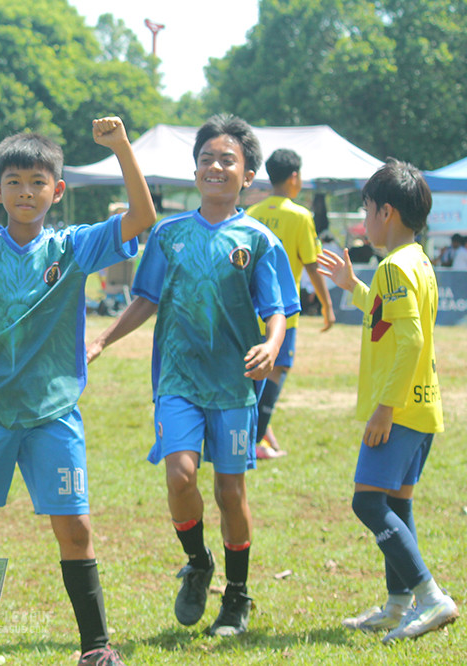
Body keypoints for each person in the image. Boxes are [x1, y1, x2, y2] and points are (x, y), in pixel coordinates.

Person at [0, 115, 156, 666]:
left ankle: (95, 648)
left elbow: (141, 217)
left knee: (76, 527)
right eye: (14, 181)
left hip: (53, 413)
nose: (25, 191)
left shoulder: (74, 247)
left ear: (57, 191)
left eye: (37, 182)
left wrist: (121, 148)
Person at [87, 114, 299, 638]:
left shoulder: (259, 239)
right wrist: (102, 339)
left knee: (231, 493)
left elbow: (278, 309)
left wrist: (272, 344)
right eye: (207, 158)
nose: (216, 167)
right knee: (180, 475)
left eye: (228, 159)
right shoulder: (168, 234)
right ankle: (198, 561)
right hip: (178, 380)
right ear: (195, 169)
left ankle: (237, 596)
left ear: (247, 175)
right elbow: (145, 299)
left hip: (232, 385)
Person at [317, 160, 459, 643]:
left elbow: (412, 340)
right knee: (398, 503)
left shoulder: (395, 267)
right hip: (423, 407)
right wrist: (352, 287)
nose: (364, 220)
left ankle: (430, 596)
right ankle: (398, 604)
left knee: (367, 502)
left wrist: (384, 406)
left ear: (388, 212)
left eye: (367, 210)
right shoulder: (414, 261)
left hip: (398, 410)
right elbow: (388, 318)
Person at [245, 149, 336, 459]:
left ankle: (260, 430)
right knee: (277, 370)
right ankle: (254, 441)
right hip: (283, 313)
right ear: (294, 177)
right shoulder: (300, 215)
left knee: (253, 370)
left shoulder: (252, 213)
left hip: (250, 310)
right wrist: (327, 305)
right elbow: (312, 264)